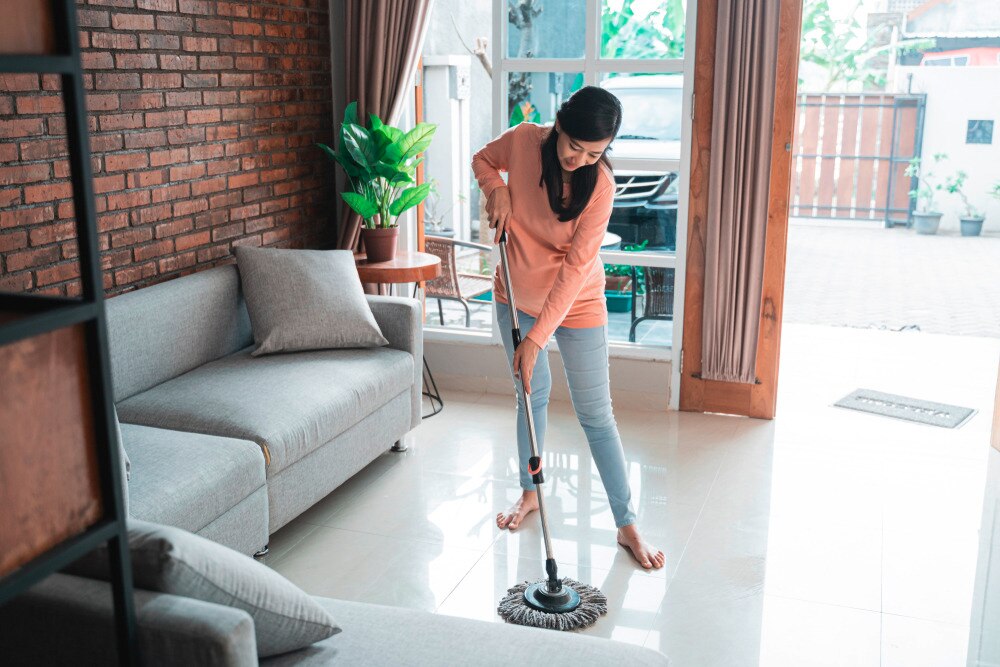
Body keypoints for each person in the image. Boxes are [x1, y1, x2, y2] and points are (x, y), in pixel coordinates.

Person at [471, 86, 665, 570]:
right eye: (574, 146)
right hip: (514, 295)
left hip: (575, 301)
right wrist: (495, 188)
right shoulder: (522, 141)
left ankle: (626, 524)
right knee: (530, 399)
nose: (581, 159)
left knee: (596, 413)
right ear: (558, 125)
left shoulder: (599, 185)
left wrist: (538, 338)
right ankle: (530, 493)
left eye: (595, 152)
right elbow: (482, 159)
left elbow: (577, 268)